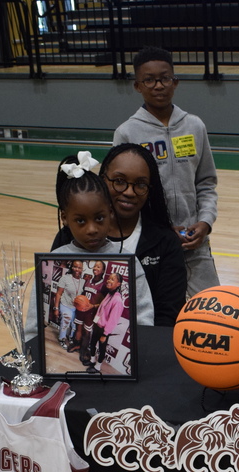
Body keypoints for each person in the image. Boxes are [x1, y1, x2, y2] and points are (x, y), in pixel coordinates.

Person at [113, 46, 219, 297]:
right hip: (152, 244)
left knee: (210, 309)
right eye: (149, 80)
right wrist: (158, 227)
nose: (158, 85)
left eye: (164, 78)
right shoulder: (127, 133)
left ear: (175, 82)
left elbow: (206, 182)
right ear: (137, 86)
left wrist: (205, 222)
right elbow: (120, 195)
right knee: (162, 317)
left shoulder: (194, 126)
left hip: (195, 243)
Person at [52, 143, 187, 326]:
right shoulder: (67, 238)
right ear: (103, 179)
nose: (129, 192)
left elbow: (168, 315)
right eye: (119, 181)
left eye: (140, 185)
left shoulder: (166, 242)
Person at [25, 153, 155, 341]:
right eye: (80, 221)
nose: (92, 229)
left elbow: (143, 317)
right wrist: (33, 351)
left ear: (110, 213)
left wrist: (140, 347)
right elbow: (35, 323)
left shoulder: (129, 261)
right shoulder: (51, 261)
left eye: (99, 218)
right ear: (64, 218)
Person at [87, 271, 125, 372]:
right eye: (109, 278)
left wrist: (105, 334)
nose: (109, 281)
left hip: (104, 329)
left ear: (118, 284)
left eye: (112, 279)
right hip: (97, 325)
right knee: (93, 343)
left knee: (102, 348)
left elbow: (113, 320)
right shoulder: (109, 294)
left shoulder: (117, 300)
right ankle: (92, 360)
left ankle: (97, 366)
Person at [52, 259, 85, 350]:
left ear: (82, 269)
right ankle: (62, 338)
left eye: (79, 268)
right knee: (66, 320)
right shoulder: (65, 278)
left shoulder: (83, 282)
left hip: (77, 307)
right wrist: (56, 308)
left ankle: (71, 337)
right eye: (75, 267)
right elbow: (58, 293)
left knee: (75, 325)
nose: (77, 269)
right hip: (65, 304)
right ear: (71, 267)